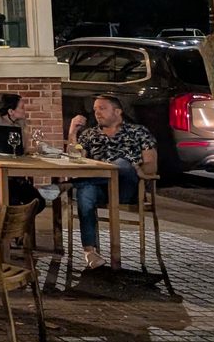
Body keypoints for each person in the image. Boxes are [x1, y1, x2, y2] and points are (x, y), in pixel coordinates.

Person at [67, 93, 157, 270]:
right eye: (95, 110)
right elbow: (75, 161)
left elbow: (151, 165)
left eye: (102, 108)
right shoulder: (89, 135)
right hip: (100, 189)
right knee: (86, 192)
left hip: (127, 187)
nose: (97, 113)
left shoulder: (138, 132)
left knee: (122, 163)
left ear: (117, 111)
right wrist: (72, 132)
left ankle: (67, 186)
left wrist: (137, 169)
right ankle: (90, 252)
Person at [0, 93, 44, 215]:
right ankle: (11, 231)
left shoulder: (19, 123)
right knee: (13, 202)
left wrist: (24, 127)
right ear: (11, 111)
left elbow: (22, 150)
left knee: (38, 202)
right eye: (22, 107)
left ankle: (17, 228)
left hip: (14, 177)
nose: (25, 110)